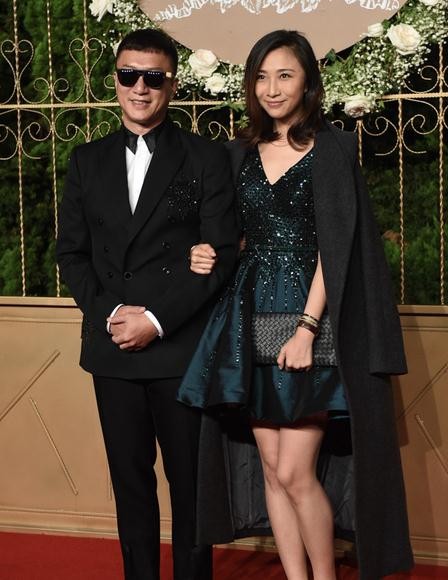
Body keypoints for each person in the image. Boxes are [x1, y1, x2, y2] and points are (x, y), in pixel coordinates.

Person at [178, 30, 414, 580]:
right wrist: (204, 250)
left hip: (312, 318)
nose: (272, 88)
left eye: (284, 75)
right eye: (261, 77)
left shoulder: (332, 151)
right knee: (270, 468)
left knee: (294, 471)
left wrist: (307, 328)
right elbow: (228, 235)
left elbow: (339, 248)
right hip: (249, 315)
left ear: (307, 80)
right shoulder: (237, 153)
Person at [56, 28, 238, 580]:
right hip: (112, 348)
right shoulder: (86, 160)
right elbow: (72, 254)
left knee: (190, 488)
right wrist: (113, 315)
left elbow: (222, 254)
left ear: (172, 85)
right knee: (130, 486)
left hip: (179, 348)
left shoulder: (206, 158)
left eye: (153, 77)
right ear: (114, 81)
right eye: (129, 75)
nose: (140, 87)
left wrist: (156, 320)